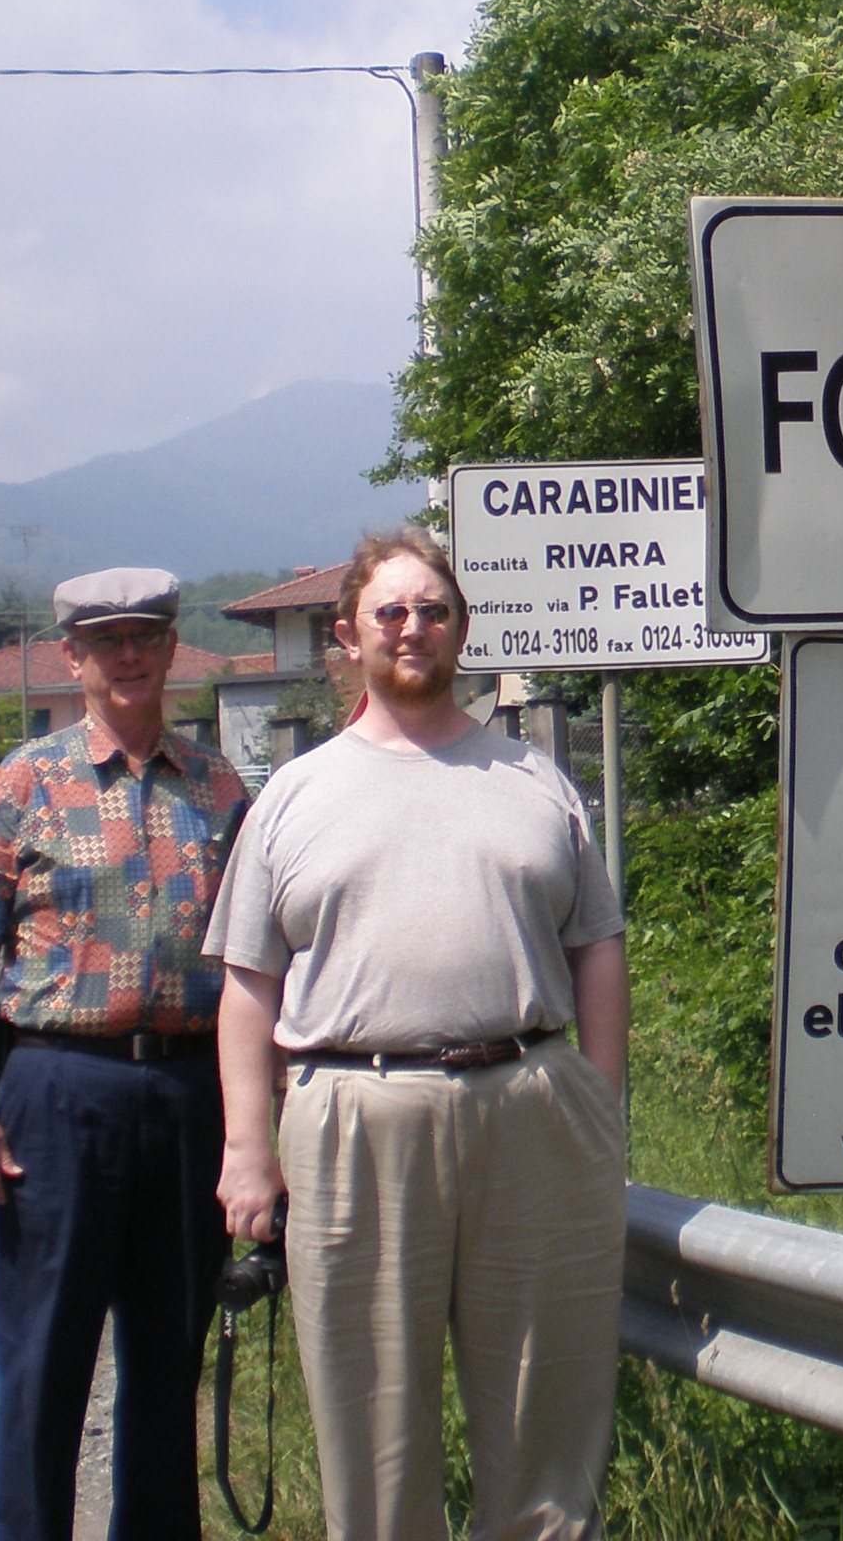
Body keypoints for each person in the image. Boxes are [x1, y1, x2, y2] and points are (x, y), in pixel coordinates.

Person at [209, 527, 629, 1541]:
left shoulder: (533, 780)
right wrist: (246, 1148)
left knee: (544, 1422)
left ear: (461, 630)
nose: (411, 627)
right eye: (389, 612)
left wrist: (599, 1102)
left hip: (530, 1109)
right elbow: (248, 986)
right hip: (354, 1116)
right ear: (348, 637)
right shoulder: (295, 795)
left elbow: (598, 947)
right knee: (374, 1433)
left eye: (432, 610)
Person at [0, 567, 249, 1541]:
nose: (128, 655)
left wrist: (258, 1126)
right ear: (72, 657)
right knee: (43, 1360)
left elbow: (257, 964)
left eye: (145, 636)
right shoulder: (23, 785)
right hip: (59, 1090)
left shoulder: (221, 790)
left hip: (190, 1092)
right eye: (107, 640)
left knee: (167, 1361)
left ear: (171, 649)